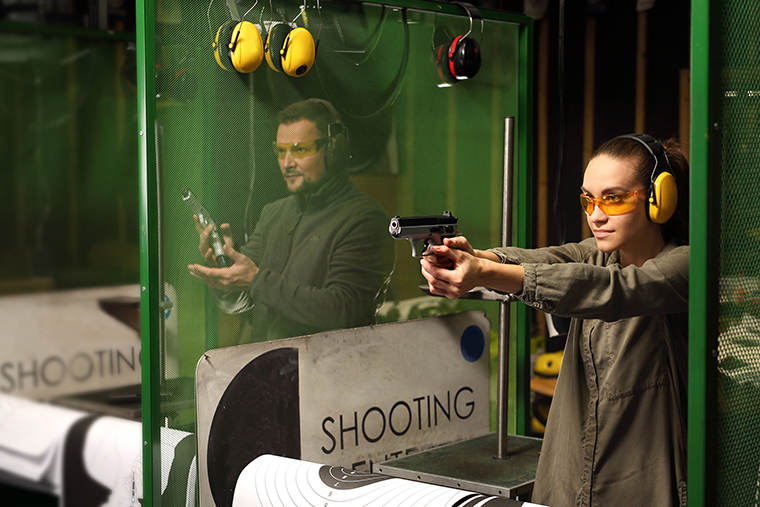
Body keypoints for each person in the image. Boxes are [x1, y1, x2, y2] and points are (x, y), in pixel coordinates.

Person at [420, 134, 690, 507]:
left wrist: (483, 271)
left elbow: (617, 290)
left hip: (643, 484)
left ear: (661, 199)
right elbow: (544, 261)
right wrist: (478, 259)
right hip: (570, 481)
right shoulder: (596, 253)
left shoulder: (685, 265)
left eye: (613, 198)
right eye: (588, 200)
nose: (596, 214)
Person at [188, 99, 394, 344]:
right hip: (270, 369)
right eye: (281, 151)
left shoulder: (364, 219)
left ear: (333, 151)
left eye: (300, 149)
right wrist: (225, 267)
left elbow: (343, 311)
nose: (287, 163)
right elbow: (239, 301)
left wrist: (256, 280)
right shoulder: (273, 214)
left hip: (332, 373)